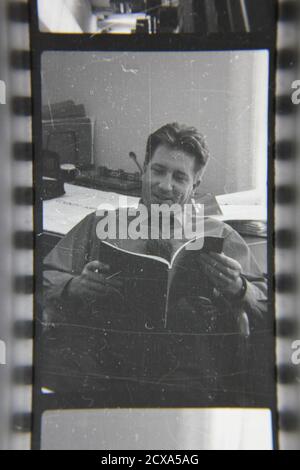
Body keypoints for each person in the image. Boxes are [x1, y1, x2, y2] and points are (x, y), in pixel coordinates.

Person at [41, 123, 272, 405]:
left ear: (195, 185)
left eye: (179, 177)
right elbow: (43, 279)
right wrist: (73, 286)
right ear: (144, 170)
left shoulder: (219, 236)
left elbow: (267, 306)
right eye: (158, 171)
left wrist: (239, 287)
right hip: (103, 365)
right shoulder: (100, 224)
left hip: (185, 374)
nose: (165, 186)